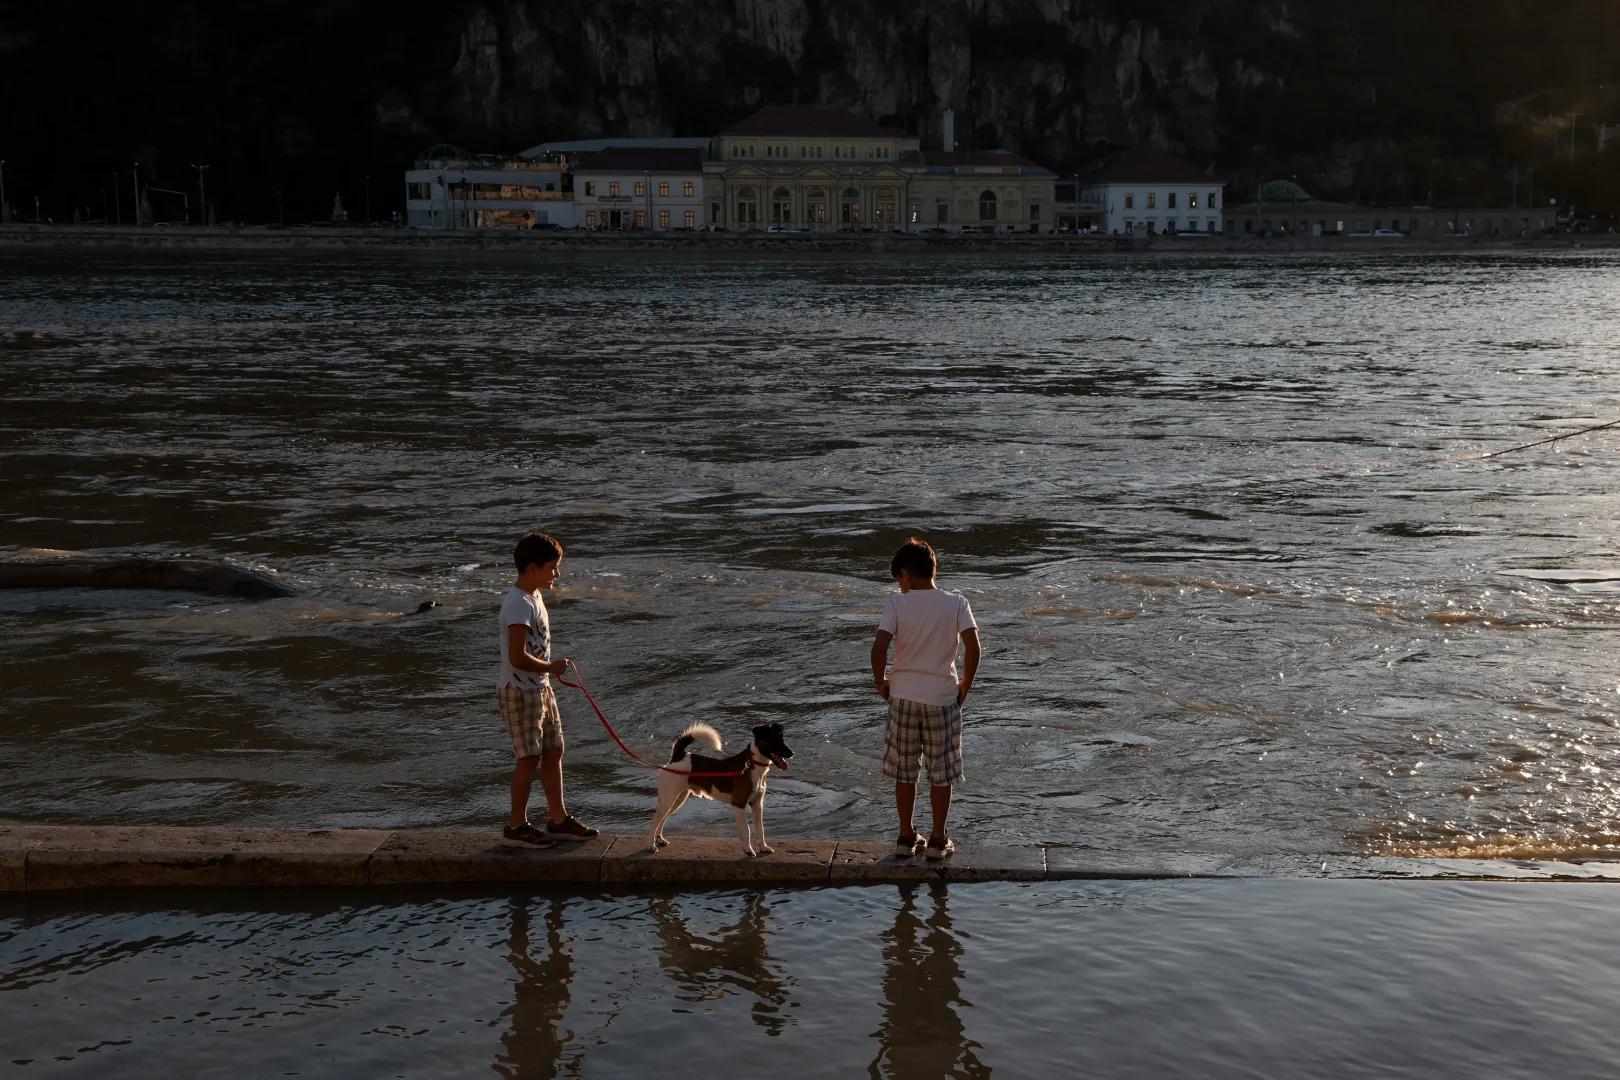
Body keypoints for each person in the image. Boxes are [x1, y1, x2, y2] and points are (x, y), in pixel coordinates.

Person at [870, 537, 981, 860]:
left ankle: (905, 837)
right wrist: (965, 687)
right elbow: (974, 648)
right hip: (943, 697)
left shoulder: (896, 605)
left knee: (905, 772)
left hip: (902, 696)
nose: (899, 586)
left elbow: (878, 649)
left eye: (898, 579)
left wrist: (882, 683)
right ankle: (937, 839)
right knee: (940, 772)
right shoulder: (956, 603)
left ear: (905, 574)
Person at [498, 531, 598, 846]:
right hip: (520, 689)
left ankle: (558, 819)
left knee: (554, 751)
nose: (557, 574)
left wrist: (547, 671)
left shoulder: (534, 597)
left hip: (539, 687)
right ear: (532, 568)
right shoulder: (517, 603)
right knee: (528, 757)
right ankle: (517, 826)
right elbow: (516, 657)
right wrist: (551, 667)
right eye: (552, 567)